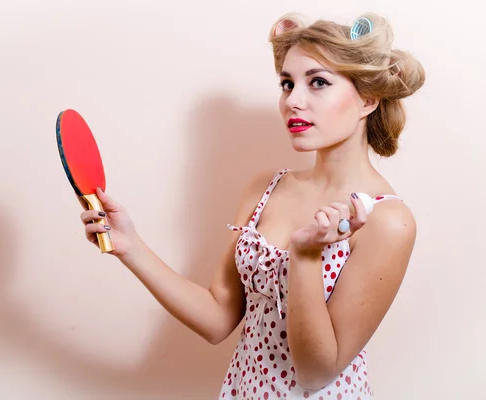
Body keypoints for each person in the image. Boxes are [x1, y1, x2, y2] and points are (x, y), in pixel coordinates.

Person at [79, 11, 425, 400]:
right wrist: (131, 247)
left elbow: (315, 373)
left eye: (318, 83)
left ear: (367, 99)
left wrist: (306, 257)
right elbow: (216, 319)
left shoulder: (388, 220)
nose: (293, 101)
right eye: (287, 83)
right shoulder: (267, 187)